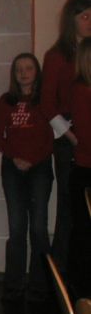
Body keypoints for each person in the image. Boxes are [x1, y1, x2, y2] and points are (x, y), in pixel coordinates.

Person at [0, 53, 53, 302]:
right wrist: (15, 157)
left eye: (28, 68)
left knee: (38, 226)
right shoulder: (6, 101)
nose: (24, 73)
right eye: (19, 69)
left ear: (36, 72)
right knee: (17, 226)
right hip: (12, 167)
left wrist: (33, 159)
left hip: (40, 167)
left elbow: (51, 137)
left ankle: (41, 283)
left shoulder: (45, 101)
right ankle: (14, 283)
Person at [41, 0, 91, 272]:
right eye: (84, 17)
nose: (90, 22)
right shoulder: (57, 56)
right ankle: (64, 274)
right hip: (69, 138)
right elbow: (47, 104)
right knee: (69, 208)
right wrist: (72, 136)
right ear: (71, 21)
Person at [68, 37, 91, 299]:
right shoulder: (81, 89)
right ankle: (82, 289)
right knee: (84, 231)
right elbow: (85, 133)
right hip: (86, 169)